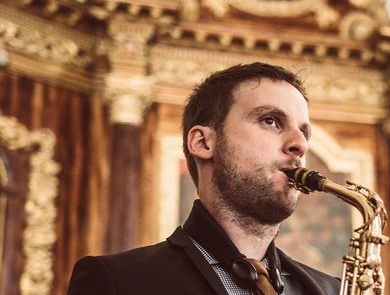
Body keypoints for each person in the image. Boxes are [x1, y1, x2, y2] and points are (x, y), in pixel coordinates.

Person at [68, 62, 340, 295]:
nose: (300, 145)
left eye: (305, 133)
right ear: (203, 143)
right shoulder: (116, 281)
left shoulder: (330, 289)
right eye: (270, 120)